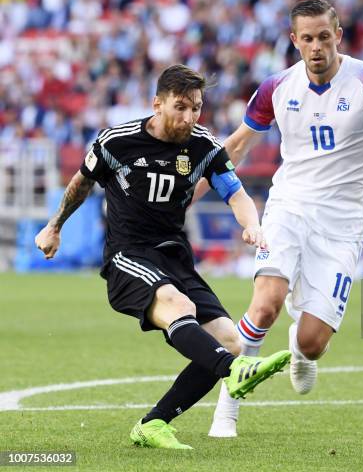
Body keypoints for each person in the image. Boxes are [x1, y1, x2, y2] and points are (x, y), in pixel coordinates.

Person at [34, 64, 291, 449]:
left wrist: (252, 224)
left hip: (173, 256)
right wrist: (54, 226)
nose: (189, 118)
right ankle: (233, 371)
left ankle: (154, 423)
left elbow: (235, 194)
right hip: (127, 255)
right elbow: (81, 182)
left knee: (229, 339)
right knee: (178, 305)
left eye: (196, 108)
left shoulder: (204, 147)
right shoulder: (117, 142)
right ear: (157, 104)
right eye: (180, 107)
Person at [207, 0, 363, 438]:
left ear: (338, 35)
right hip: (287, 207)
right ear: (294, 40)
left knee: (312, 341)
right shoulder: (276, 87)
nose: (316, 47)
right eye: (306, 38)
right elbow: (235, 147)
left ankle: (300, 349)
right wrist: (189, 193)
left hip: (342, 228)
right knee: (264, 304)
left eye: (324, 36)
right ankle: (226, 409)